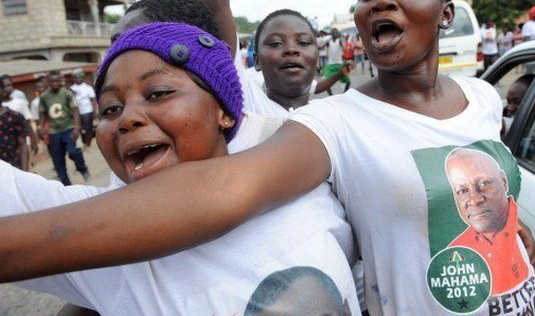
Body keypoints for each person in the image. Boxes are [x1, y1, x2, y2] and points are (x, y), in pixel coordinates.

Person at [0, 0, 535, 315]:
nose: (127, 119)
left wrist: (504, 223)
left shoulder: (483, 97)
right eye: (111, 108)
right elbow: (224, 190)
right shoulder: (327, 126)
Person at [1, 22, 360, 315]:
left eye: (157, 93)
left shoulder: (305, 186)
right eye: (110, 109)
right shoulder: (95, 240)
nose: (127, 119)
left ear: (224, 112)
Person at [446, 149, 531, 296]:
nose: (474, 199)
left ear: (504, 182)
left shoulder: (521, 235)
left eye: (484, 184)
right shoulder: (455, 251)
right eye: (462, 191)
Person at [253, 9, 351, 111]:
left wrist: (341, 74)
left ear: (317, 58)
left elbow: (317, 87)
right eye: (275, 43)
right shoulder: (250, 108)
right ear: (257, 60)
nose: (291, 50)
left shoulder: (328, 117)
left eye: (303, 42)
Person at [38, 71, 90, 185]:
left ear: (60, 81)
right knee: (58, 159)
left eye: (57, 80)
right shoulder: (44, 97)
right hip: (54, 132)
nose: (55, 83)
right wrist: (41, 128)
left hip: (68, 128)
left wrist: (77, 127)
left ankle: (82, 168)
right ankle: (66, 184)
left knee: (74, 152)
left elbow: (75, 110)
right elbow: (42, 113)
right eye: (52, 81)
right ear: (48, 82)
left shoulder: (66, 93)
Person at [1, 74, 38, 157]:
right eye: (5, 86)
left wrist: (33, 140)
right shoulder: (1, 106)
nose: (8, 88)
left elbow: (28, 122)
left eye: (9, 85)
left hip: (24, 142)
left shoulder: (20, 102)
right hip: (5, 147)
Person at [0, 80, 29, 170]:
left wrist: (24, 171)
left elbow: (22, 144)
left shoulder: (15, 117)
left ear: (2, 91)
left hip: (13, 168)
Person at [69, 70, 97, 148]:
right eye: (76, 78)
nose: (77, 79)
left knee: (88, 128)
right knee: (78, 128)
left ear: (82, 78)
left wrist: (95, 110)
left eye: (79, 78)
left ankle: (88, 144)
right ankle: (81, 143)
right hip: (76, 113)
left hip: (87, 111)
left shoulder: (87, 87)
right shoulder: (71, 88)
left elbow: (93, 100)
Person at [325, 28, 351, 94]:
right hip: (331, 64)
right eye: (333, 33)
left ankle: (344, 93)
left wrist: (343, 40)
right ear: (331, 34)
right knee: (326, 83)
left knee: (348, 81)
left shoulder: (339, 41)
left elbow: (345, 49)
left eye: (336, 33)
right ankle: (331, 95)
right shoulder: (329, 42)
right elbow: (326, 51)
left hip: (339, 64)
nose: (334, 34)